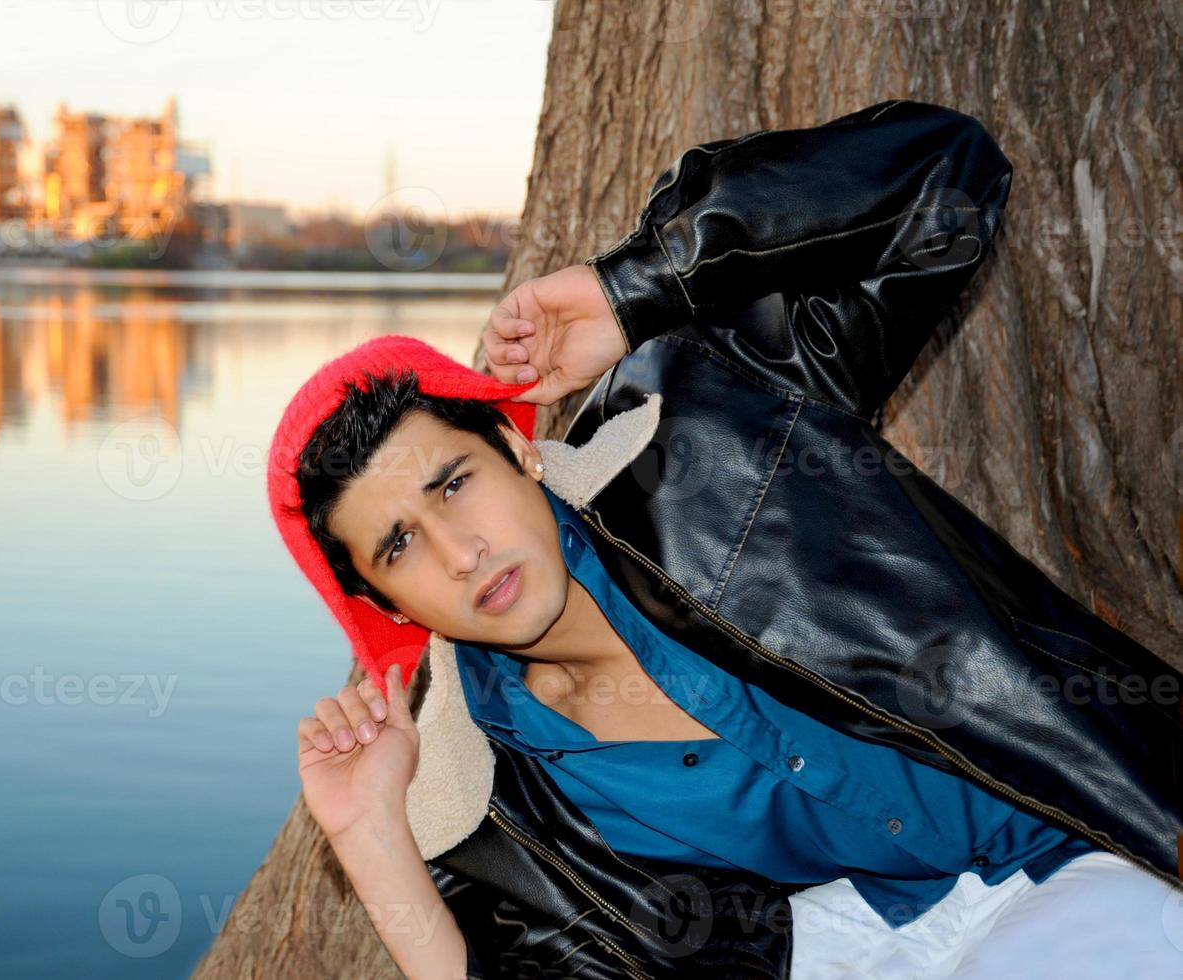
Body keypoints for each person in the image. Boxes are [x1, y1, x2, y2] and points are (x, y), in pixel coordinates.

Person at [267, 100, 1183, 978]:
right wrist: (370, 837)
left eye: (455, 485)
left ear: (519, 449)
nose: (459, 553)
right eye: (398, 548)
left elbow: (944, 177)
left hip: (1079, 847)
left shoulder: (707, 434)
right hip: (855, 950)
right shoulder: (490, 786)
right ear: (385, 604)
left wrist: (629, 290)